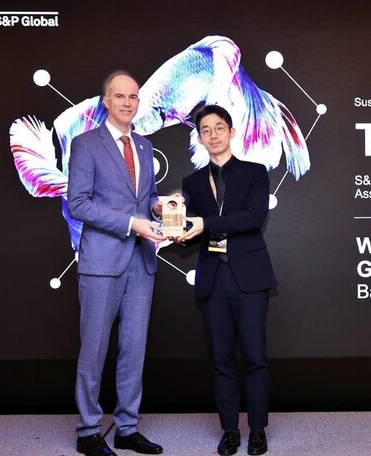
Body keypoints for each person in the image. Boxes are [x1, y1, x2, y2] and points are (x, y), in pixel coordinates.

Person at [67, 71, 167, 456]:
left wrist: (160, 207)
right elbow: (78, 204)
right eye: (120, 96)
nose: (128, 103)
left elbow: (146, 198)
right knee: (94, 349)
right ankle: (88, 431)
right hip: (101, 262)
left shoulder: (144, 145)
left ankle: (127, 428)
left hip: (141, 262)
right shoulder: (86, 144)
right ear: (106, 101)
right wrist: (130, 223)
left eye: (133, 97)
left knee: (133, 349)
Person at [176, 104, 277, 455]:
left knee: (254, 356)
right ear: (200, 138)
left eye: (219, 127)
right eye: (206, 130)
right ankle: (230, 430)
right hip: (213, 278)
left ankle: (258, 429)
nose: (213, 134)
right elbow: (188, 228)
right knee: (220, 359)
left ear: (231, 132)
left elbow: (253, 217)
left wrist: (205, 224)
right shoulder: (190, 183)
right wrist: (175, 225)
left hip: (250, 276)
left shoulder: (254, 172)